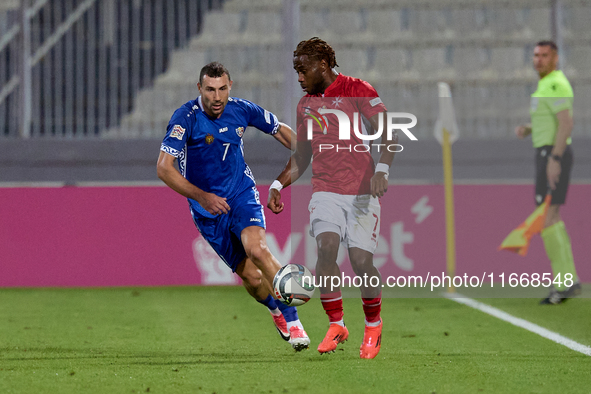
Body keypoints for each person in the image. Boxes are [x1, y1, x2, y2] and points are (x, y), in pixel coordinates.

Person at [157, 62, 310, 350]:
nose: (217, 97)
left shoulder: (242, 109)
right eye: (211, 89)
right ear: (199, 88)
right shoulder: (185, 119)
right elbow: (164, 169)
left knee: (258, 249)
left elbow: (281, 131)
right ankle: (275, 310)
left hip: (241, 193)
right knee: (251, 278)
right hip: (207, 211)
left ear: (231, 87)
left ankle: (294, 318)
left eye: (223, 89)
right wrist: (202, 196)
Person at [267, 37, 398, 359]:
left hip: (362, 193)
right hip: (325, 190)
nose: (299, 77)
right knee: (326, 249)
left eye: (303, 70)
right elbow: (302, 156)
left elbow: (388, 133)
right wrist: (277, 184)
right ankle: (336, 324)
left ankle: (373, 325)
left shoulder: (357, 90)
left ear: (322, 66)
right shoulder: (305, 106)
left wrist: (382, 169)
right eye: (295, 71)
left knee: (361, 262)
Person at [515, 40, 581, 304]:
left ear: (555, 58)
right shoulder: (546, 85)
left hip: (552, 154)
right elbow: (553, 120)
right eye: (535, 55)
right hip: (548, 152)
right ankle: (569, 280)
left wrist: (555, 157)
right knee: (552, 217)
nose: (538, 60)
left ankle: (563, 284)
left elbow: (566, 124)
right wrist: (530, 128)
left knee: (547, 216)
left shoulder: (554, 84)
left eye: (544, 55)